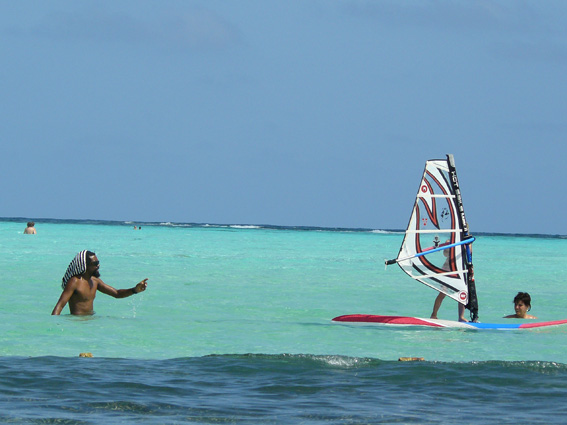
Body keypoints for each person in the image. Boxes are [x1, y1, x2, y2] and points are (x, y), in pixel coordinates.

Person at [51, 250, 148, 315]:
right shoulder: (74, 281)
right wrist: (53, 326)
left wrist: (135, 290)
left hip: (91, 321)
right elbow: (60, 305)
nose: (98, 266)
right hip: (77, 323)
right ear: (85, 265)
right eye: (95, 263)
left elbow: (117, 293)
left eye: (98, 263)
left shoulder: (95, 281)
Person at [430, 241, 468, 322]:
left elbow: (469, 254)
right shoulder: (450, 241)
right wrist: (450, 246)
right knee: (443, 293)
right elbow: (445, 254)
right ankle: (434, 315)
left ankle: (461, 317)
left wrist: (466, 245)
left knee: (462, 293)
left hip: (459, 272)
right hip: (447, 270)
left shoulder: (466, 242)